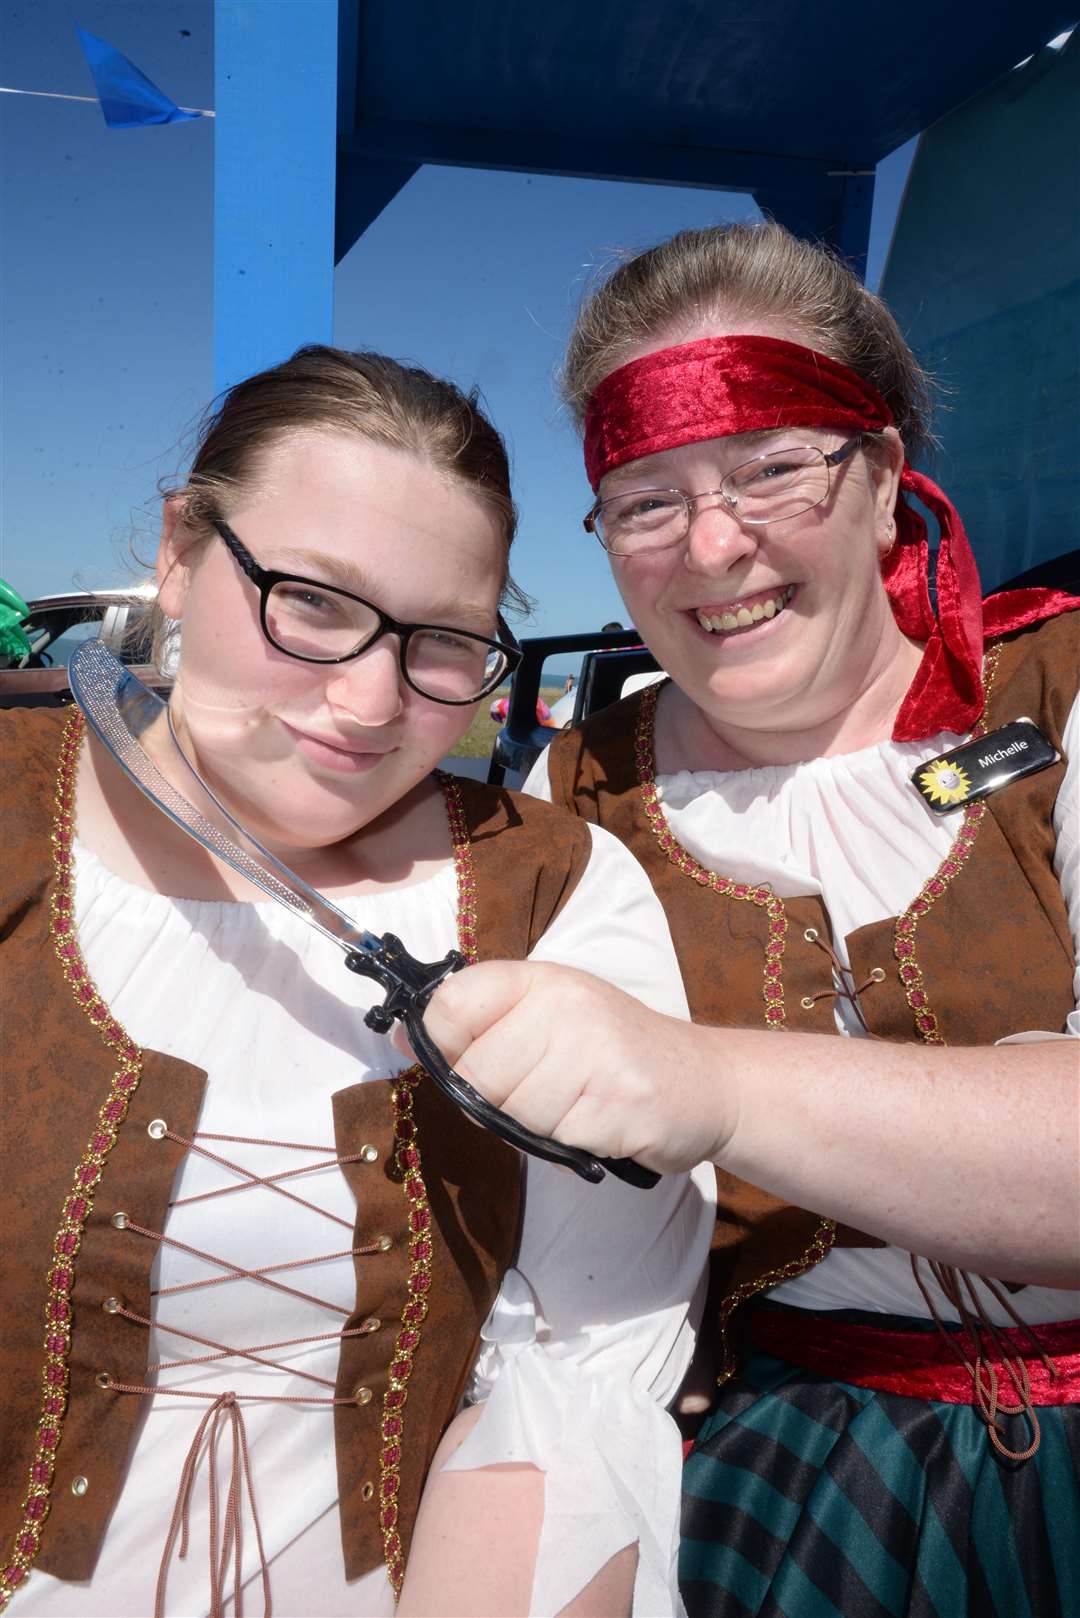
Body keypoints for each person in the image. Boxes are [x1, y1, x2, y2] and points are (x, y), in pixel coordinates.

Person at [414, 224, 1080, 1616]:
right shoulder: (572, 790)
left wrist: (703, 1081)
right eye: (646, 499)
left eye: (774, 466)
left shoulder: (1062, 701)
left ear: (888, 472)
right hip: (787, 1478)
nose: (714, 545)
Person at [0, 346, 715, 1618]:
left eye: (443, 641)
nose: (370, 700)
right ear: (179, 546)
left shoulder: (550, 888)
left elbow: (582, 1363)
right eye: (313, 602)